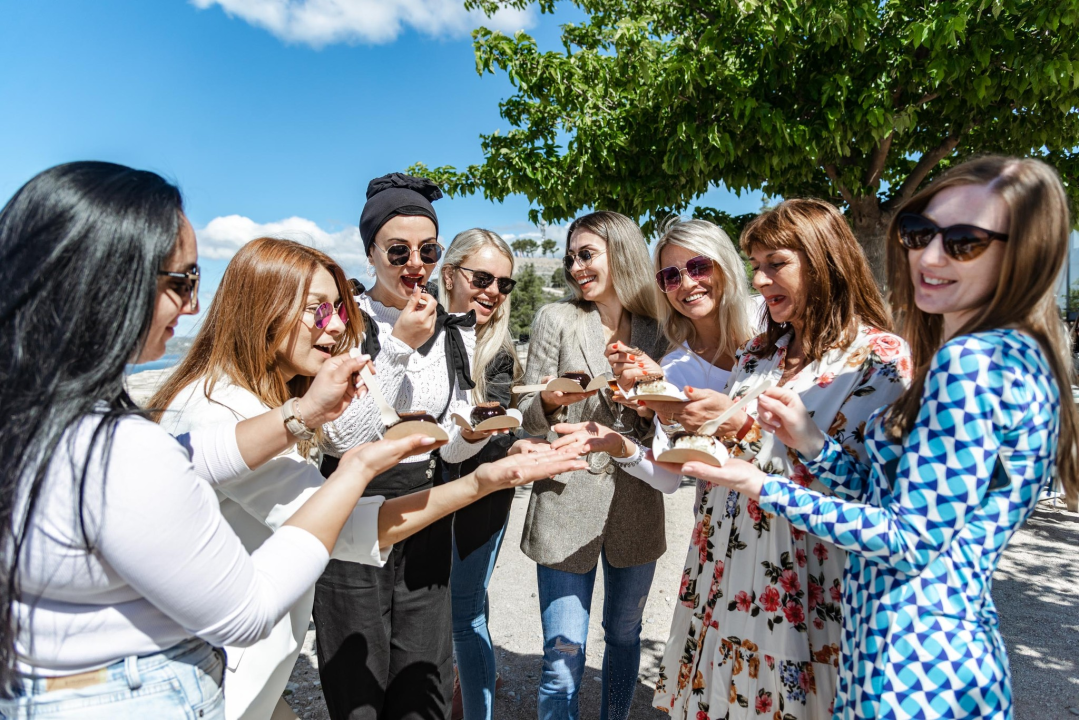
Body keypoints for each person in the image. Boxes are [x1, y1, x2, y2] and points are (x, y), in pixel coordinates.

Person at [0, 161, 585, 719]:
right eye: (180, 280)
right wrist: (364, 464)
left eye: (197, 280)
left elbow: (204, 453)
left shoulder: (74, 423)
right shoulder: (149, 433)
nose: (194, 302)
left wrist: (303, 414)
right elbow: (251, 605)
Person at [678, 156, 1079, 719]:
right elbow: (887, 498)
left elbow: (908, 539)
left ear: (1024, 253)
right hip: (911, 651)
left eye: (964, 242)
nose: (929, 257)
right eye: (918, 233)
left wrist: (760, 484)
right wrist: (811, 442)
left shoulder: (970, 362)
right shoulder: (1010, 355)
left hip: (914, 666)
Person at [150, 237, 530, 720]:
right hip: (207, 680)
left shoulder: (251, 399)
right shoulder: (218, 408)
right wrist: (481, 481)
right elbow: (348, 529)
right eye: (318, 310)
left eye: (338, 310)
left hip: (239, 675)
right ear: (261, 310)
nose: (335, 327)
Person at [639, 199, 909, 719]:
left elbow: (876, 499)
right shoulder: (758, 354)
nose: (760, 280)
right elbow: (727, 455)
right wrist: (681, 418)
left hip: (806, 580)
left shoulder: (879, 359)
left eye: (776, 263)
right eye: (756, 266)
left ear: (824, 261)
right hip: (724, 564)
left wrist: (746, 429)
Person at [314, 174, 502, 720]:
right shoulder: (344, 322)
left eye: (428, 250)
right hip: (353, 505)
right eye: (398, 251)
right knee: (358, 677)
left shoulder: (453, 328)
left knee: (424, 675)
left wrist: (472, 436)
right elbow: (339, 437)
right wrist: (398, 345)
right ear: (370, 252)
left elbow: (448, 448)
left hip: (423, 504)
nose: (415, 263)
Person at [516, 211, 666, 720]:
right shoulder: (555, 319)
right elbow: (526, 413)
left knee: (624, 637)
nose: (575, 267)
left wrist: (646, 402)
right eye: (570, 257)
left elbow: (666, 423)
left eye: (587, 254)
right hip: (565, 501)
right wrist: (549, 402)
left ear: (621, 253)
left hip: (637, 504)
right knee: (562, 655)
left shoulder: (658, 328)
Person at [552, 217, 757, 497]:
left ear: (725, 265)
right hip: (718, 515)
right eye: (670, 277)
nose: (686, 284)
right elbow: (668, 477)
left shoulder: (773, 325)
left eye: (699, 267)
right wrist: (618, 444)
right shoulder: (675, 367)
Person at [436, 229, 521, 720]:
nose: (493, 292)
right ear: (449, 275)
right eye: (483, 278)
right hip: (425, 491)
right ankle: (468, 683)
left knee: (464, 614)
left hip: (482, 493)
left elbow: (496, 432)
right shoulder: (418, 331)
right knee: (450, 607)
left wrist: (481, 432)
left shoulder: (499, 350)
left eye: (504, 284)